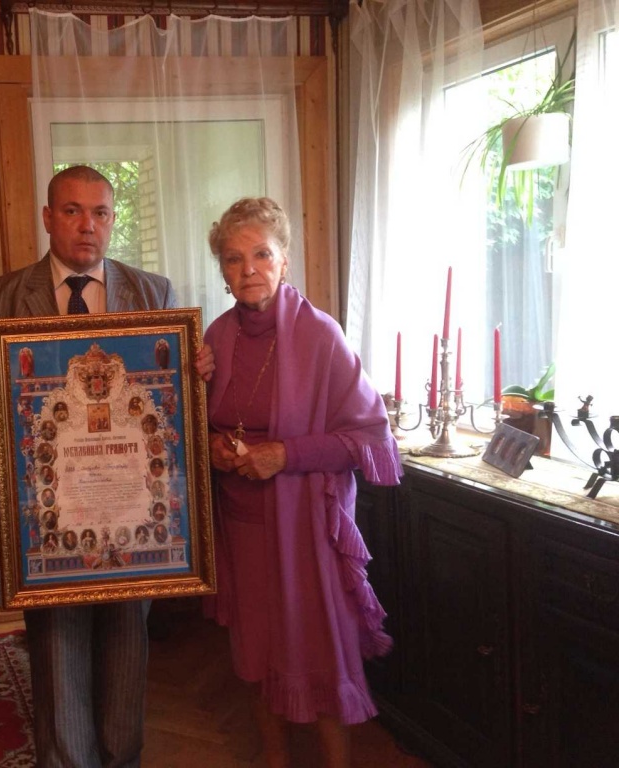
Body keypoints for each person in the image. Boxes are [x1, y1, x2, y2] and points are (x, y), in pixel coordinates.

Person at [0, 165, 213, 767]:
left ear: (112, 220)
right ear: (48, 217)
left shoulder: (153, 292)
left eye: (100, 212)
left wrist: (195, 372)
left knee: (127, 645)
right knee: (57, 652)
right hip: (50, 513)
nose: (87, 225)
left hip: (132, 511)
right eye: (73, 211)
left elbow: (167, 403)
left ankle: (121, 759)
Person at [203, 197, 401, 768]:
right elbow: (196, 423)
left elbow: (370, 437)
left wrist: (284, 455)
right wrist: (212, 446)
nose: (249, 270)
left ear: (284, 259)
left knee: (318, 649)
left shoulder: (321, 335)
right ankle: (275, 759)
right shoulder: (214, 337)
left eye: (262, 254)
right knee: (255, 652)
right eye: (234, 258)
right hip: (240, 524)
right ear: (222, 269)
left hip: (305, 525)